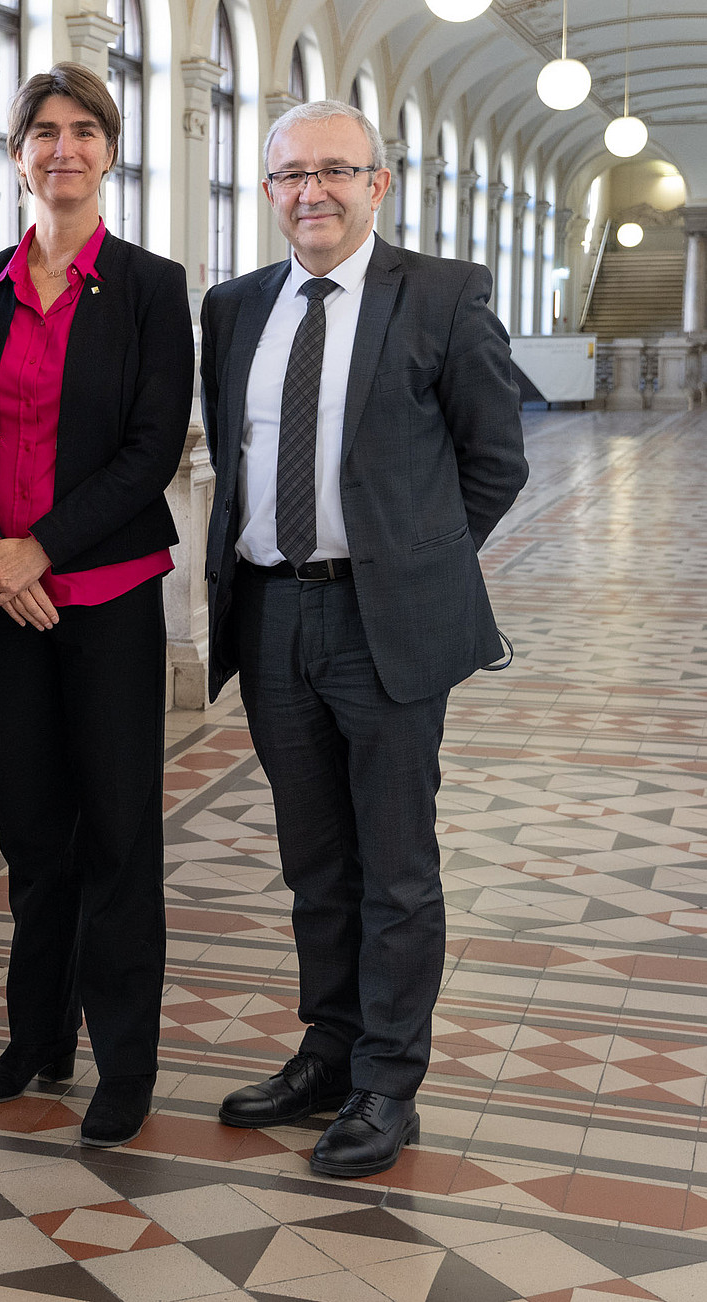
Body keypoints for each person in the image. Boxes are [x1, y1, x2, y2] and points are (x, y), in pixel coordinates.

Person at [201, 99, 527, 1178]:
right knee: (314, 860)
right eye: (291, 174)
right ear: (267, 191)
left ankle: (389, 1083)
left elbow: (495, 460)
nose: (313, 192)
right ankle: (327, 1053)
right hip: (269, 607)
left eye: (336, 171)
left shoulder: (439, 294)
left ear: (377, 184)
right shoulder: (235, 306)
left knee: (395, 866)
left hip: (380, 619)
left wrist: (412, 565)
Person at [0, 62, 192, 1149]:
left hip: (108, 595)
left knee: (118, 832)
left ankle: (124, 1059)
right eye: (43, 130)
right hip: (0, 598)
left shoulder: (148, 285)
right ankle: (36, 1036)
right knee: (32, 832)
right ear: (17, 152)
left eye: (83, 130)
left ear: (108, 152)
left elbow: (150, 449)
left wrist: (40, 550)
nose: (63, 148)